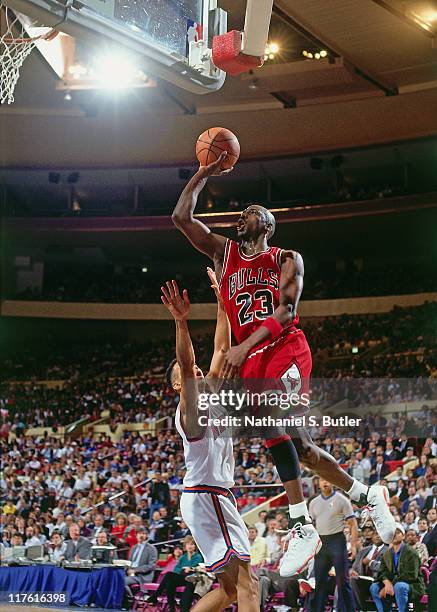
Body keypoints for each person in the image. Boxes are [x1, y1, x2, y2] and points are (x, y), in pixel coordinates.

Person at [173, 154, 395, 575]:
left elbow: (287, 312)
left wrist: (243, 347)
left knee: (270, 417)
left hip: (285, 347)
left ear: (269, 225)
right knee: (305, 451)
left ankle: (300, 524)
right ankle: (367, 496)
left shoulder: (285, 258)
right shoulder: (225, 255)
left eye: (251, 213)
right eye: (239, 215)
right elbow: (182, 218)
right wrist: (204, 172)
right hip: (252, 357)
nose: (242, 217)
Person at [161, 274, 259, 611]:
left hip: (209, 497)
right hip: (207, 496)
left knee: (230, 589)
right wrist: (180, 322)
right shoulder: (189, 410)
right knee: (250, 583)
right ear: (179, 388)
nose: (201, 373)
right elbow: (187, 365)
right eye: (191, 377)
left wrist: (223, 305)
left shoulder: (212, 395)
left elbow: (220, 349)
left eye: (203, 372)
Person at [309, 478, 358, 612]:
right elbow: (310, 527)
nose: (325, 483)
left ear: (333, 482)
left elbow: (353, 524)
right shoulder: (313, 503)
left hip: (337, 541)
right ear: (318, 483)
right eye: (322, 480)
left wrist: (353, 545)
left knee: (343, 582)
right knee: (319, 582)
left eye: (328, 480)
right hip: (321, 543)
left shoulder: (342, 500)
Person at [370, 523, 425, 612]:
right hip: (392, 584)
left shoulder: (411, 552)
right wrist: (387, 583)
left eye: (397, 532)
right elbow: (382, 572)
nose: (394, 535)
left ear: (403, 536)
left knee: (399, 586)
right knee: (374, 587)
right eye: (392, 533)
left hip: (412, 585)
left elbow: (411, 575)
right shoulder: (387, 554)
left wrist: (390, 585)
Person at [146, 536, 203, 612]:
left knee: (169, 576)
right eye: (188, 544)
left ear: (195, 546)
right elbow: (176, 569)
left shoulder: (198, 557)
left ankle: (156, 596)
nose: (190, 546)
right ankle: (171, 607)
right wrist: (184, 569)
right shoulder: (183, 557)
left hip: (191, 579)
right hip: (182, 577)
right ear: (185, 546)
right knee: (169, 581)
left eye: (192, 544)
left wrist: (186, 569)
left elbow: (193, 569)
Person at [350, 530, 387, 611]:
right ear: (372, 536)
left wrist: (370, 562)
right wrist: (352, 571)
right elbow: (354, 567)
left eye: (381, 534)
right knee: (349, 580)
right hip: (362, 580)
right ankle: (360, 609)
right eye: (376, 534)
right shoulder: (364, 550)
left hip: (378, 581)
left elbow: (384, 568)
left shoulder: (388, 551)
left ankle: (361, 609)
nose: (378, 536)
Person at [124, 527, 157, 602]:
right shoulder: (133, 548)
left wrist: (135, 571)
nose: (141, 535)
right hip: (130, 573)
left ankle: (131, 599)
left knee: (122, 581)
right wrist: (127, 569)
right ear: (136, 535)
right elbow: (129, 562)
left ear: (147, 536)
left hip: (142, 576)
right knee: (115, 578)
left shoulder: (152, 549)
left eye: (143, 533)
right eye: (139, 533)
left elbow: (151, 566)